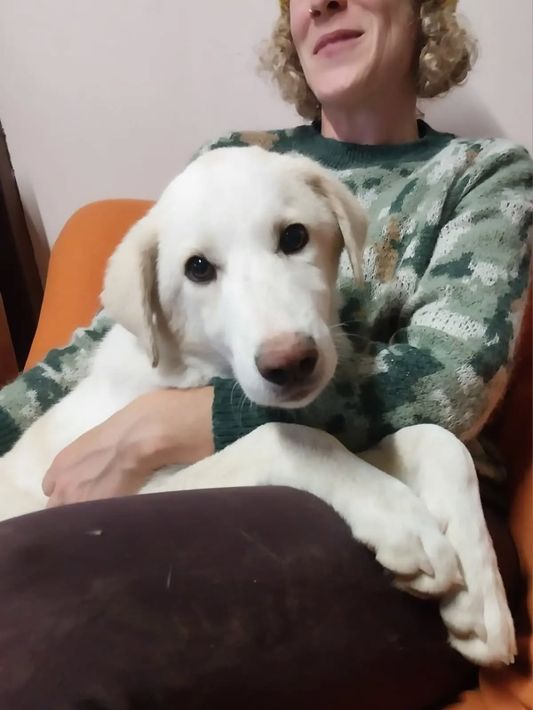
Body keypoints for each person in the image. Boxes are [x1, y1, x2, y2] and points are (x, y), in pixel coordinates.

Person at [0, 1, 531, 707]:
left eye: (292, 240)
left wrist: (182, 424)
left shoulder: (480, 173)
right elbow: (92, 348)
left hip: (392, 515)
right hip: (77, 515)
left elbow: (447, 385)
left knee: (47, 624)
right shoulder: (233, 156)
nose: (323, 0)